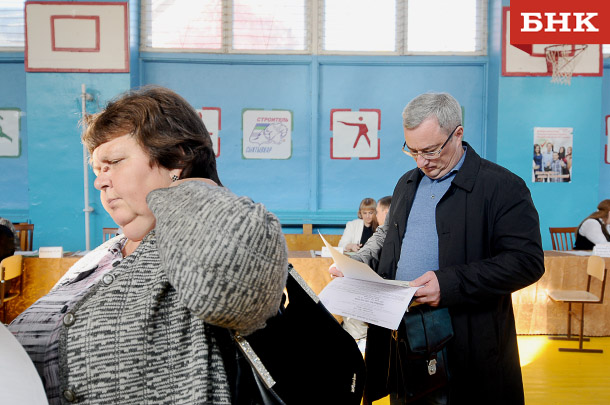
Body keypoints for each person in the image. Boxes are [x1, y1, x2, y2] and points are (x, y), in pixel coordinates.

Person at [9, 86, 288, 404]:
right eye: (97, 169)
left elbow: (227, 293)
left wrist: (184, 186)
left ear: (176, 158)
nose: (100, 181)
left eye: (114, 162)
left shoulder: (215, 237)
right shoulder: (102, 255)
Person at [330, 92, 544, 404]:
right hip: (403, 338)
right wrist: (358, 262)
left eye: (430, 150)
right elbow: (388, 233)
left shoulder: (502, 187)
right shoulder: (407, 183)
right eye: (412, 151)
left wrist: (449, 283)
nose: (421, 162)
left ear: (458, 134)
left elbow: (526, 262)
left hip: (467, 344)